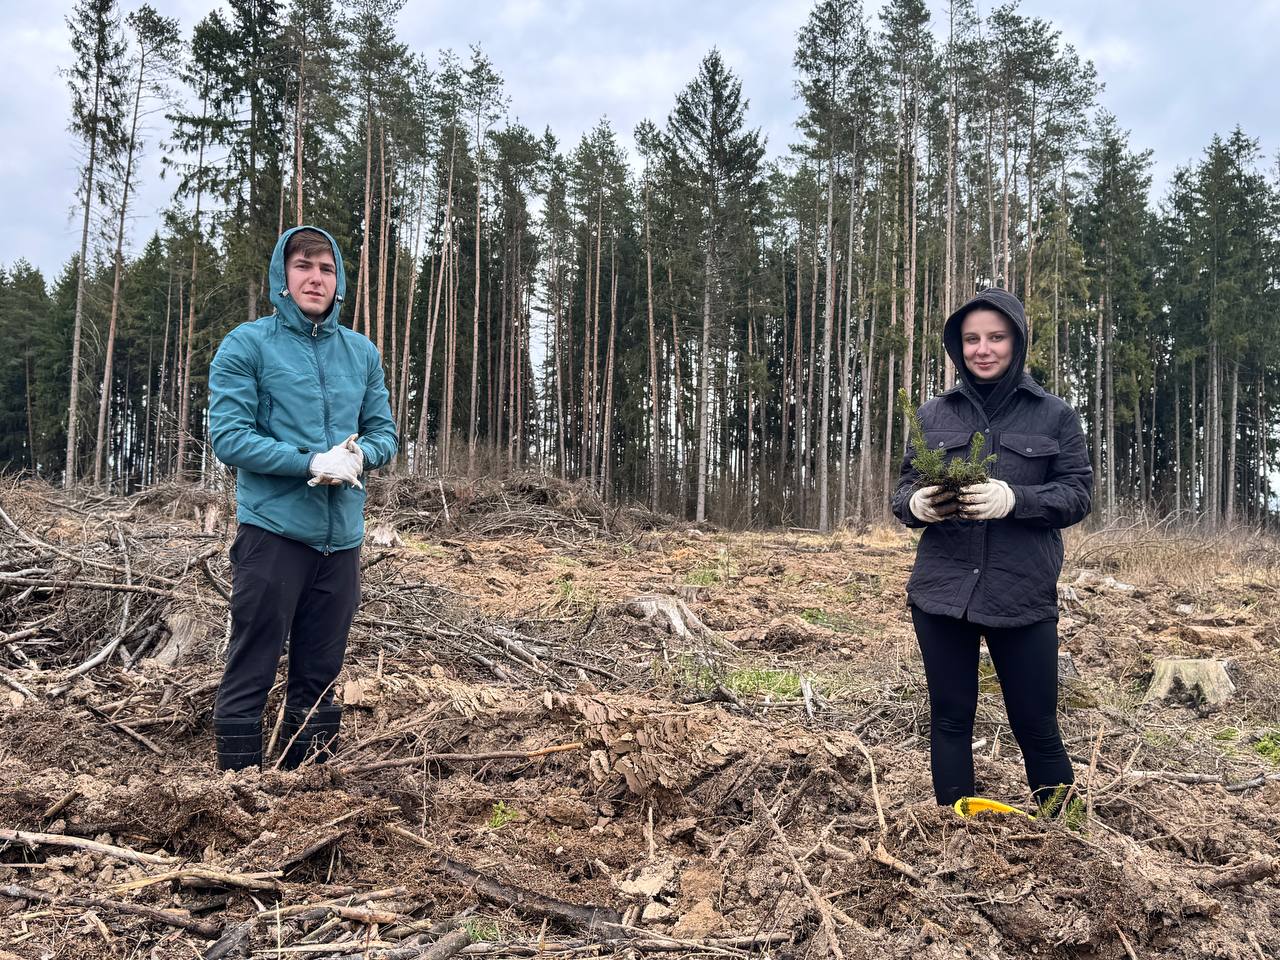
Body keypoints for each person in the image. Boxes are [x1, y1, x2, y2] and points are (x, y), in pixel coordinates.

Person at [891, 288, 1092, 810]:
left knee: (1036, 722)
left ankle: (1065, 832)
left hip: (1021, 592)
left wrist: (1014, 499)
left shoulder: (1054, 416)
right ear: (957, 347)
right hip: (943, 594)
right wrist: (919, 506)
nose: (984, 349)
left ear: (1017, 342)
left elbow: (1077, 494)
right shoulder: (934, 415)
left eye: (996, 337)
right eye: (972, 339)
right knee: (951, 718)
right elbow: (902, 491)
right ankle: (955, 832)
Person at [207, 225, 397, 771]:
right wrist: (310, 461)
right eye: (303, 266)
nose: (315, 278)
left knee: (320, 674)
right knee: (253, 662)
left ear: (338, 281)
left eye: (326, 268)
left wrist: (361, 457)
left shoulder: (360, 353)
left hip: (341, 544)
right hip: (274, 534)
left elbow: (385, 432)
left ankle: (307, 787)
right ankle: (235, 790)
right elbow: (231, 437)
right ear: (282, 278)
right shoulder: (248, 345)